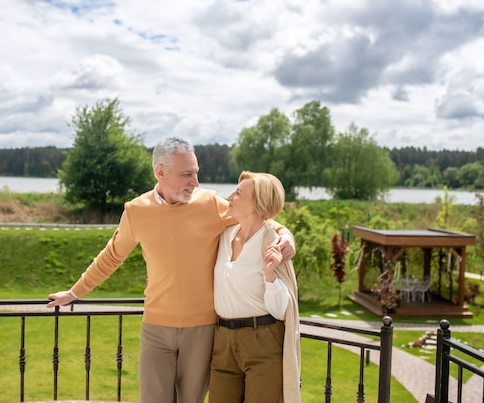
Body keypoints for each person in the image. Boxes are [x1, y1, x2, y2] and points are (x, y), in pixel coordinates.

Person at [46, 137, 295, 403]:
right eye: (187, 174)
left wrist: (286, 235)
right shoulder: (136, 211)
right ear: (161, 172)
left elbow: (259, 216)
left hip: (202, 329)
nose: (195, 182)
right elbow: (111, 256)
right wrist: (74, 292)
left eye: (196, 173)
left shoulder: (209, 204)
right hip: (155, 327)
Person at [209, 171, 301, 403]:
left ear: (257, 204)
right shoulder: (224, 235)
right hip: (223, 340)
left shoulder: (272, 243)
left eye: (239, 193)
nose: (230, 196)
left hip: (262, 340)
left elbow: (282, 311)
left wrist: (270, 276)